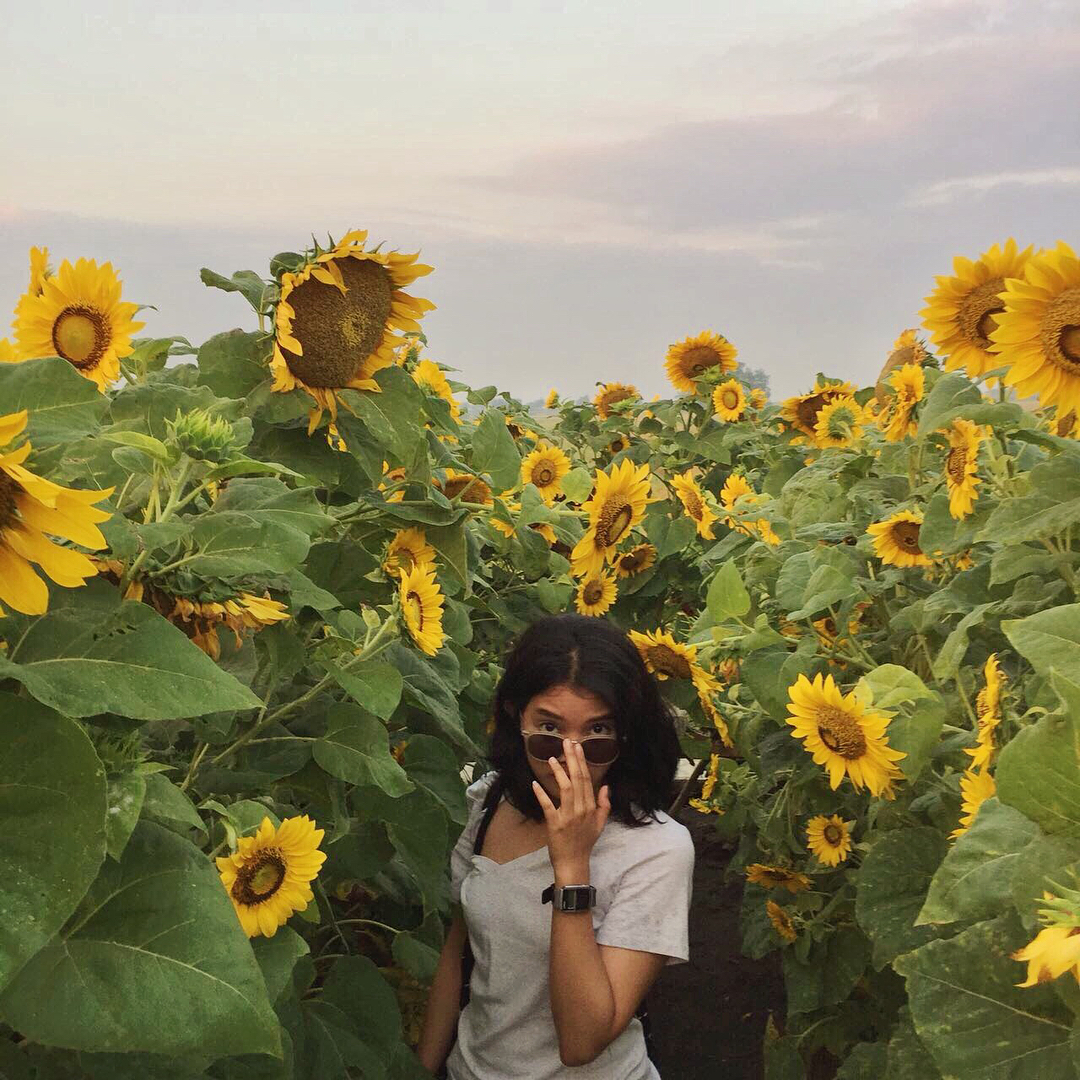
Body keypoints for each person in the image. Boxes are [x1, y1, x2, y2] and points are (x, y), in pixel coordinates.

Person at [416, 613, 695, 1079]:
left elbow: (582, 1041)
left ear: (627, 735)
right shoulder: (490, 803)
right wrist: (422, 1068)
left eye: (598, 734)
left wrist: (571, 867)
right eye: (548, 730)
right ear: (514, 715)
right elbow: (459, 949)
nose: (571, 756)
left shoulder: (657, 850)